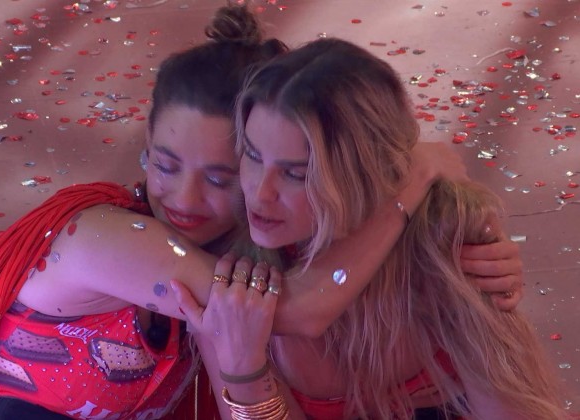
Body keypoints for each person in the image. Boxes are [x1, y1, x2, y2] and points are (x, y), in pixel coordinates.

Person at [0, 7, 524, 420]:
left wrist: (468, 244)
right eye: (165, 163)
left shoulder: (244, 252)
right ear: (145, 145)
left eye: (221, 177)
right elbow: (298, 312)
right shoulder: (106, 237)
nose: (183, 198)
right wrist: (414, 181)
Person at [175, 37, 567, 419]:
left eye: (296, 174)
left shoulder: (440, 233)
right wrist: (243, 370)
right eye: (253, 156)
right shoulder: (235, 263)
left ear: (362, 174)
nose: (260, 194)